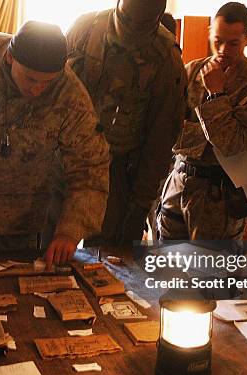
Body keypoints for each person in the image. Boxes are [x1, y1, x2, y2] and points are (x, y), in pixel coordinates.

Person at [0, 21, 109, 268]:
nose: (37, 90)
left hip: (13, 229)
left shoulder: (70, 97)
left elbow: (90, 170)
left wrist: (69, 231)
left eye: (47, 82)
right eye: (31, 79)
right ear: (10, 57)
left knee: (5, 298)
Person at [52, 0, 187, 246]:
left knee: (107, 263)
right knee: (44, 248)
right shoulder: (85, 28)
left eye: (142, 22)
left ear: (157, 17)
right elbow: (52, 86)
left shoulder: (167, 59)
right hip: (61, 158)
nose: (132, 26)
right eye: (127, 18)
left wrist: (139, 204)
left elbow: (160, 140)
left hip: (117, 171)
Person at [157, 2, 247, 241]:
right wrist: (205, 138)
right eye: (217, 40)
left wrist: (217, 94)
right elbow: (168, 131)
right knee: (165, 267)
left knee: (208, 272)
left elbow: (229, 145)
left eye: (233, 43)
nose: (222, 50)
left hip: (219, 196)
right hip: (179, 181)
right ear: (210, 31)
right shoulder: (191, 71)